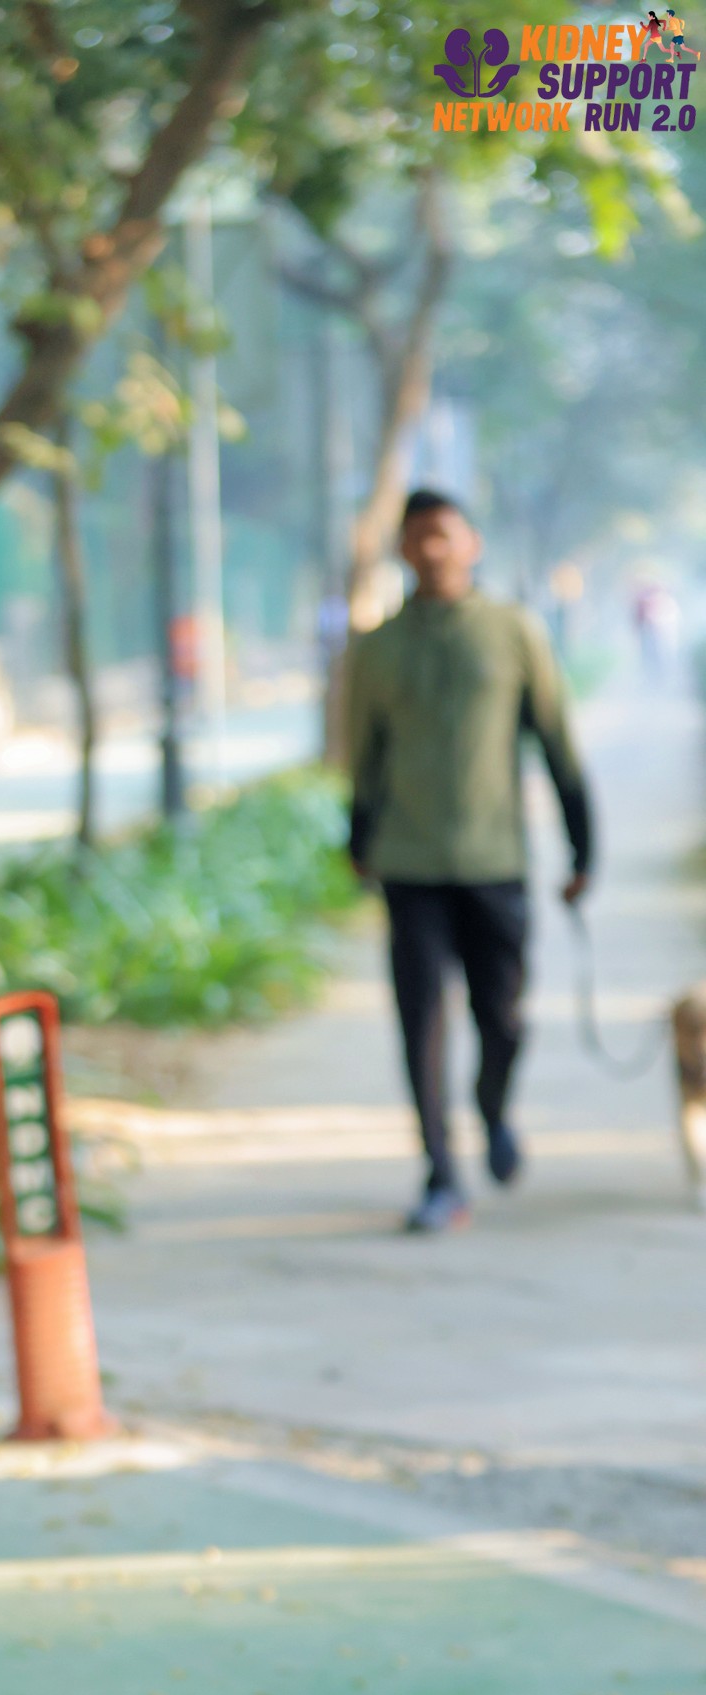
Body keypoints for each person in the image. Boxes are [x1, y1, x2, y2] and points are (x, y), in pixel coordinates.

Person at [346, 488, 594, 1233]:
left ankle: (493, 1107)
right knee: (421, 1019)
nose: (432, 549)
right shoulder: (378, 648)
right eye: (418, 536)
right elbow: (364, 757)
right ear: (402, 548)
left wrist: (583, 846)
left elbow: (556, 740)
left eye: (444, 535)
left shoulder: (512, 632)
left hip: (495, 860)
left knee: (504, 1018)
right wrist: (358, 841)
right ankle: (441, 1174)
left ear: (471, 544)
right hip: (410, 862)